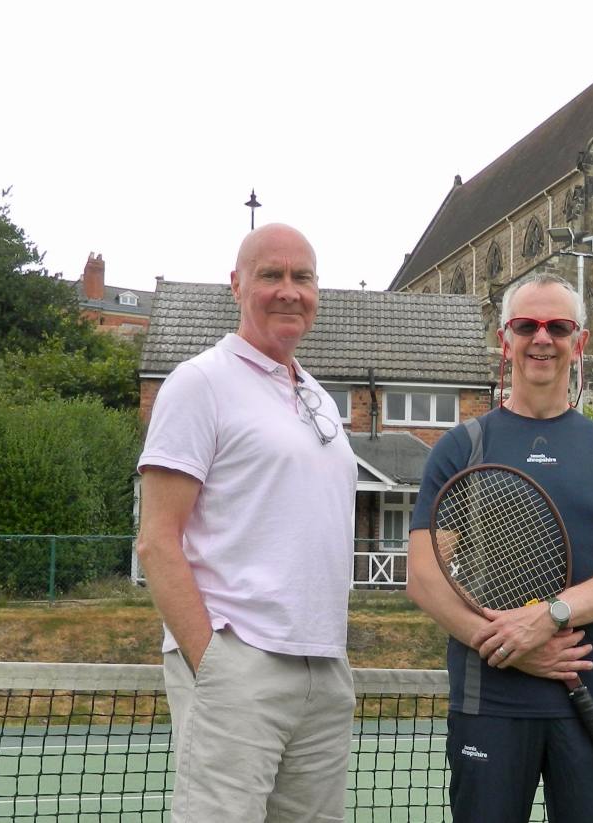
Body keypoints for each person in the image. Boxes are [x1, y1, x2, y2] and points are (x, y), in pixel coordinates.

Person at [406, 272, 593, 823]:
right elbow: (426, 576)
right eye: (526, 325)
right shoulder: (461, 447)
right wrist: (507, 643)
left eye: (558, 326)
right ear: (505, 339)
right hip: (490, 702)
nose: (541, 338)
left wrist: (548, 618)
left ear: (580, 341)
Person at [135, 224, 357, 822]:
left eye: (302, 278)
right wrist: (214, 665)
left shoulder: (319, 399)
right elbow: (157, 540)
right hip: (239, 666)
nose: (289, 291)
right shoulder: (199, 383)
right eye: (271, 275)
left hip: (324, 669)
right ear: (237, 286)